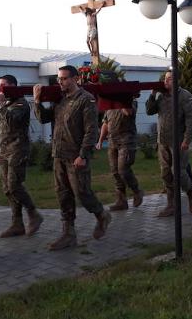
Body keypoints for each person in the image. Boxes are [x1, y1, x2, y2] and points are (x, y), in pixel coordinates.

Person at [34, 65, 111, 250]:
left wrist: (83, 155)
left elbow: (91, 131)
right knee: (63, 194)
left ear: (76, 79)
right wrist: (37, 102)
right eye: (59, 78)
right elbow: (44, 119)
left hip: (75, 156)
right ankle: (68, 234)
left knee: (82, 193)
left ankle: (102, 215)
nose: (60, 81)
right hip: (59, 155)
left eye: (64, 78)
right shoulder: (60, 100)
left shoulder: (86, 100)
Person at [0, 74, 43, 238]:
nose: (0, 89)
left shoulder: (21, 103)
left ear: (13, 86)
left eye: (3, 86)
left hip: (17, 150)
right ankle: (17, 224)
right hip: (4, 151)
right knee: (7, 189)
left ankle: (33, 213)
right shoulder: (7, 103)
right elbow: (3, 130)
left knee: (15, 185)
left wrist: (1, 106)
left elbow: (12, 122)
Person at [146, 70, 192, 216]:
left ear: (176, 80)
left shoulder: (185, 96)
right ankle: (171, 205)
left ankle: (191, 193)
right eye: (165, 79)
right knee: (166, 173)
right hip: (163, 140)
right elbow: (150, 111)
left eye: (169, 79)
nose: (166, 81)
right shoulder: (161, 95)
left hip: (179, 141)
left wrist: (187, 139)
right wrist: (152, 94)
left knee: (178, 172)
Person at [96, 99, 144, 211]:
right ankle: (121, 201)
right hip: (113, 142)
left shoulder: (131, 101)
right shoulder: (109, 105)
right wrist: (100, 140)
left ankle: (137, 191)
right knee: (115, 172)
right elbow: (105, 123)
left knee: (123, 169)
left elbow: (128, 112)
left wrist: (121, 99)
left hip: (126, 141)